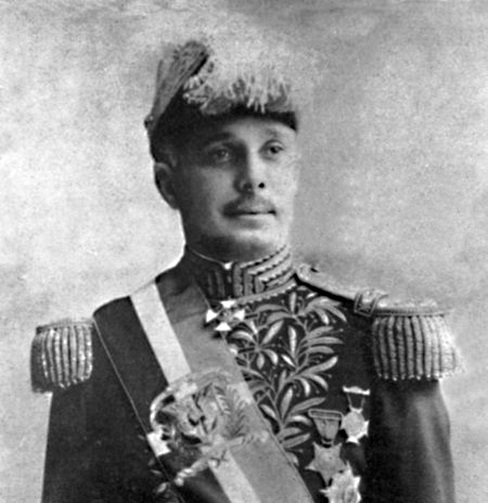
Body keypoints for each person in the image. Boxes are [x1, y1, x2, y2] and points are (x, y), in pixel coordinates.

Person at [31, 39, 460, 503]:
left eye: (272, 150)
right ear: (168, 184)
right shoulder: (110, 344)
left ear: (295, 171)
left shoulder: (375, 336)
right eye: (221, 153)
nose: (253, 177)